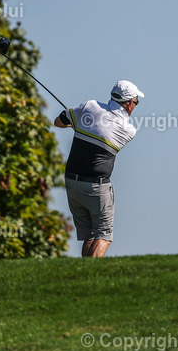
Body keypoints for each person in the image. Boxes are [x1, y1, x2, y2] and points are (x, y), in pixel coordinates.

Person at [54, 80, 143, 257]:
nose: (135, 106)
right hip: (96, 187)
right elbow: (103, 130)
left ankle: (84, 276)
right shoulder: (128, 130)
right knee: (104, 235)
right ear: (128, 104)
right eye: (136, 102)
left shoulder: (89, 106)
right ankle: (93, 275)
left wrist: (76, 122)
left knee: (89, 236)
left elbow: (58, 122)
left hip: (72, 182)